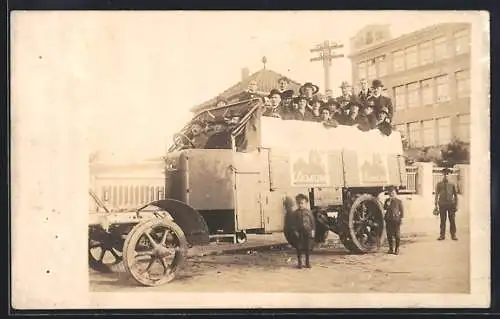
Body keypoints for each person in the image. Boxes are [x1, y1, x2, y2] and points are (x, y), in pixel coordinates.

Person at [284, 193, 316, 269]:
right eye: (299, 203)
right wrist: (295, 231)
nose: (300, 205)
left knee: (307, 248)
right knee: (299, 248)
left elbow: (312, 222)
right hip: (299, 233)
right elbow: (293, 224)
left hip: (308, 232)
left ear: (305, 203)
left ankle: (307, 262)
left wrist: (313, 231)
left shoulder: (309, 212)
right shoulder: (295, 213)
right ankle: (300, 263)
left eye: (302, 203)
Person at [435, 168, 459, 241]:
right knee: (443, 221)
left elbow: (455, 195)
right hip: (442, 204)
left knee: (452, 220)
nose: (446, 175)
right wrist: (435, 205)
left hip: (451, 204)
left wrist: (456, 205)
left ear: (450, 175)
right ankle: (442, 235)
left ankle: (453, 235)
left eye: (447, 174)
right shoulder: (439, 184)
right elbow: (436, 195)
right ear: (443, 175)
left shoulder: (452, 184)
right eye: (445, 174)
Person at [384, 186, 404, 255]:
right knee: (389, 235)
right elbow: (384, 209)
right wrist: (387, 204)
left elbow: (402, 211)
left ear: (395, 193)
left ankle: (397, 249)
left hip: (396, 219)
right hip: (388, 219)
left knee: (397, 235)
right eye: (390, 193)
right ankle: (390, 249)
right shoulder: (387, 201)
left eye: (392, 193)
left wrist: (401, 219)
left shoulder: (398, 201)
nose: (391, 194)